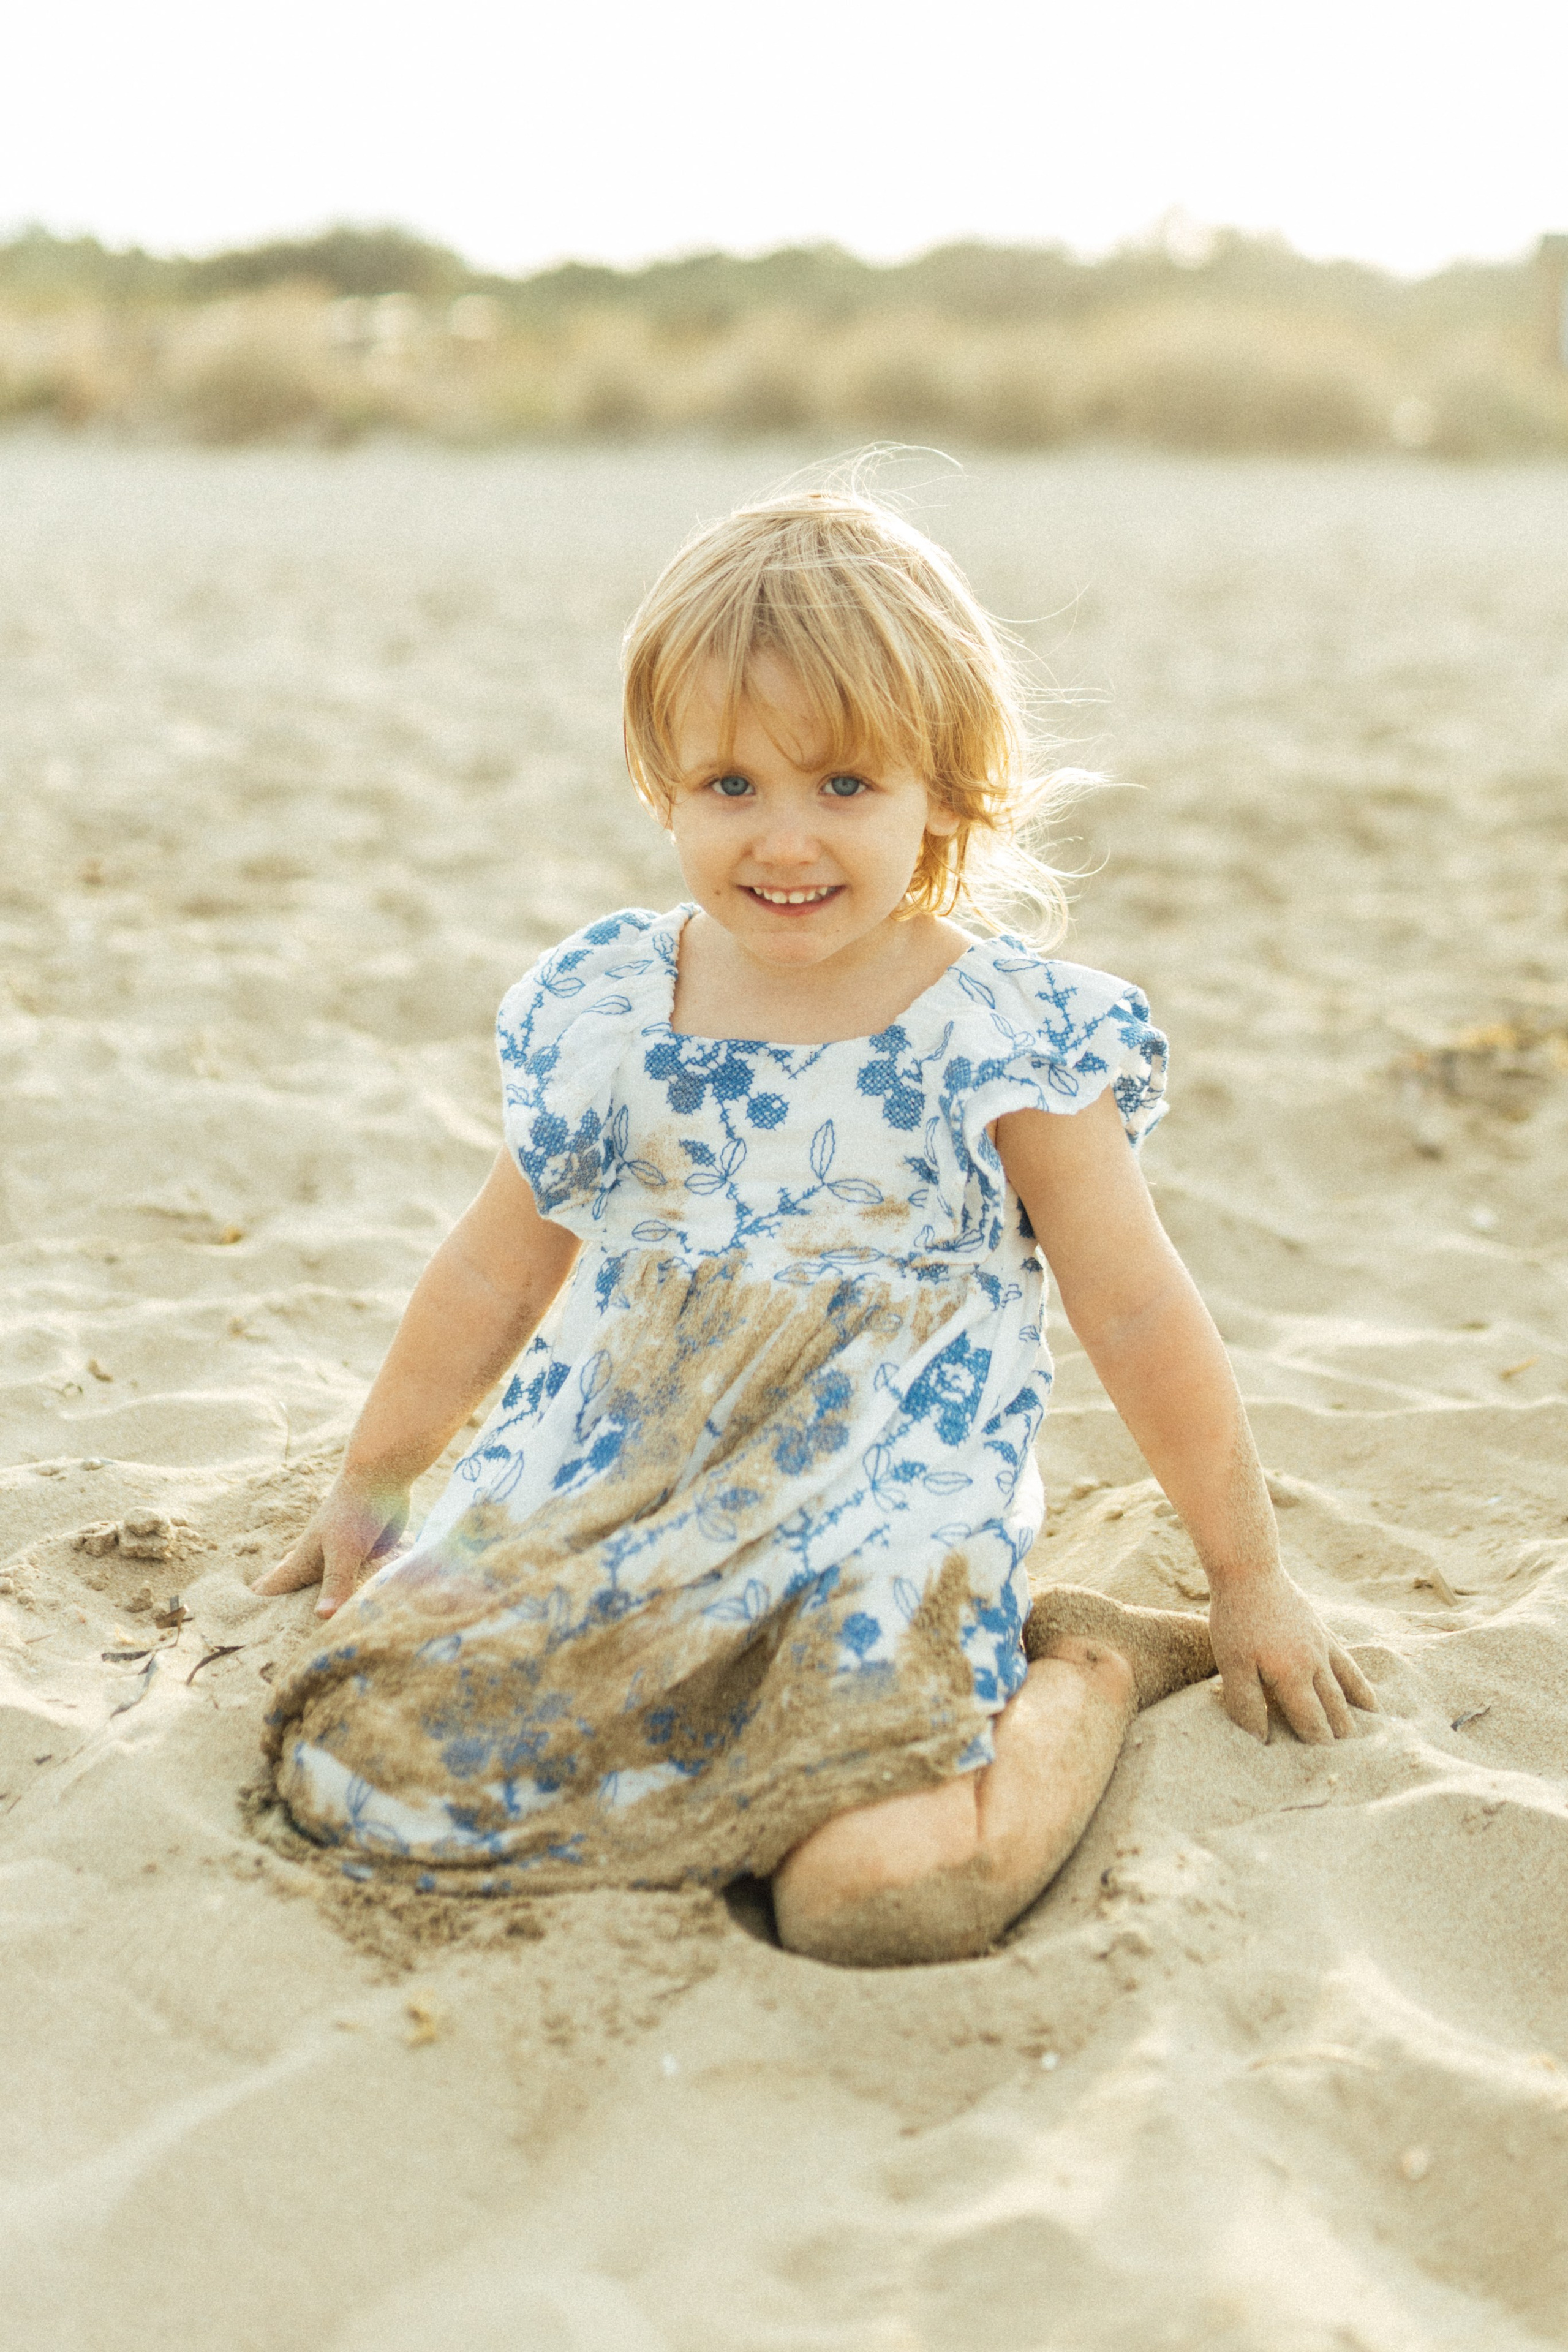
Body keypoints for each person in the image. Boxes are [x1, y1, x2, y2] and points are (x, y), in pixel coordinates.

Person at [254, 485, 1375, 1967]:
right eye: (729, 785)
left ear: (946, 787)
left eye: (843, 784)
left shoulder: (1003, 1040)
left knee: (879, 1895)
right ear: (661, 785)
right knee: (357, 1775)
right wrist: (374, 1483)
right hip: (624, 1500)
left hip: (877, 1519)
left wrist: (1245, 1576)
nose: (783, 839)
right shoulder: (616, 1007)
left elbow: (1136, 1311)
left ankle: (1093, 1662)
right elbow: (492, 1269)